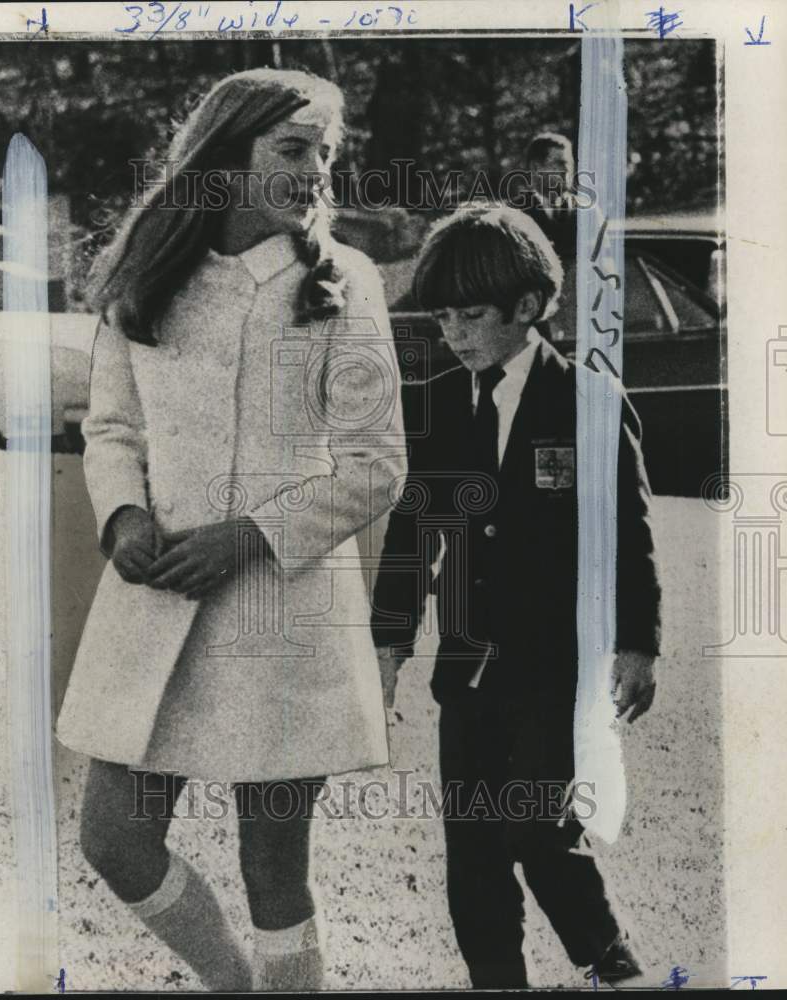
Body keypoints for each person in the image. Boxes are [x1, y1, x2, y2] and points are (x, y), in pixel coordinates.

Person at [55, 67, 407, 992]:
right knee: (114, 837)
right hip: (155, 600)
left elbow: (377, 466)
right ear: (223, 155)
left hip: (282, 613)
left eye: (327, 155)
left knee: (273, 867)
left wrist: (248, 537)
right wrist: (123, 513)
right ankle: (235, 985)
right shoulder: (146, 274)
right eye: (292, 150)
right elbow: (111, 430)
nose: (316, 173)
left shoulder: (344, 284)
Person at [371, 204, 661, 989]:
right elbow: (412, 536)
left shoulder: (589, 403)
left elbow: (626, 531)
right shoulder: (431, 404)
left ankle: (609, 957)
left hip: (554, 668)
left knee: (534, 825)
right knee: (470, 847)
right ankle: (497, 978)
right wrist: (390, 644)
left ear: (528, 308)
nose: (454, 332)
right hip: (466, 668)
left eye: (471, 314)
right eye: (441, 315)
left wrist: (638, 643)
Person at [518, 131, 578, 260]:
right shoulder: (514, 214)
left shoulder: (587, 212)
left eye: (570, 164)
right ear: (536, 167)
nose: (567, 171)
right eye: (559, 163)